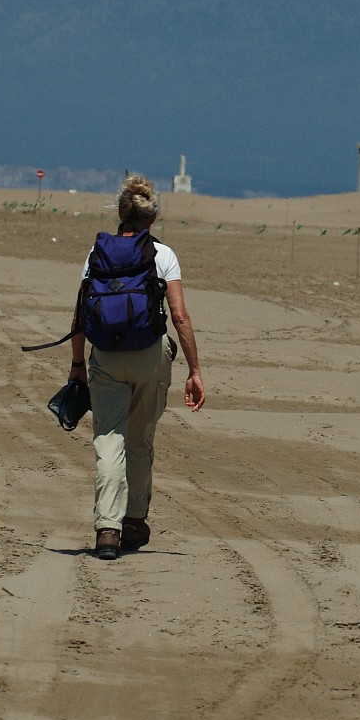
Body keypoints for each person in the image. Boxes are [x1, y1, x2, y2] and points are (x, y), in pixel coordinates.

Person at [69, 174, 205, 559]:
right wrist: (194, 370)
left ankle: (106, 530)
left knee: (108, 440)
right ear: (152, 218)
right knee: (140, 438)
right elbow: (179, 316)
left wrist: (77, 364)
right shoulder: (164, 255)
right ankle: (133, 520)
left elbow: (79, 316)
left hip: (106, 357)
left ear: (120, 213)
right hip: (149, 355)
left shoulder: (96, 254)